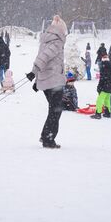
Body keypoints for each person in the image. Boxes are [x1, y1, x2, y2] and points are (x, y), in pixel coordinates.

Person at [26, 15, 67, 149]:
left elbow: (42, 57)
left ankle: (46, 136)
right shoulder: (57, 42)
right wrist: (34, 72)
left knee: (54, 110)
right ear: (61, 31)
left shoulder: (46, 40)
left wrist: (38, 80)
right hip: (54, 81)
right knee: (56, 110)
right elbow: (43, 57)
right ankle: (48, 139)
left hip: (48, 80)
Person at [91, 53, 111, 119]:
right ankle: (108, 113)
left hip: (105, 86)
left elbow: (102, 78)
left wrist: (99, 87)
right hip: (110, 86)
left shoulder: (104, 66)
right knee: (107, 100)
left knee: (100, 100)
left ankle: (98, 113)